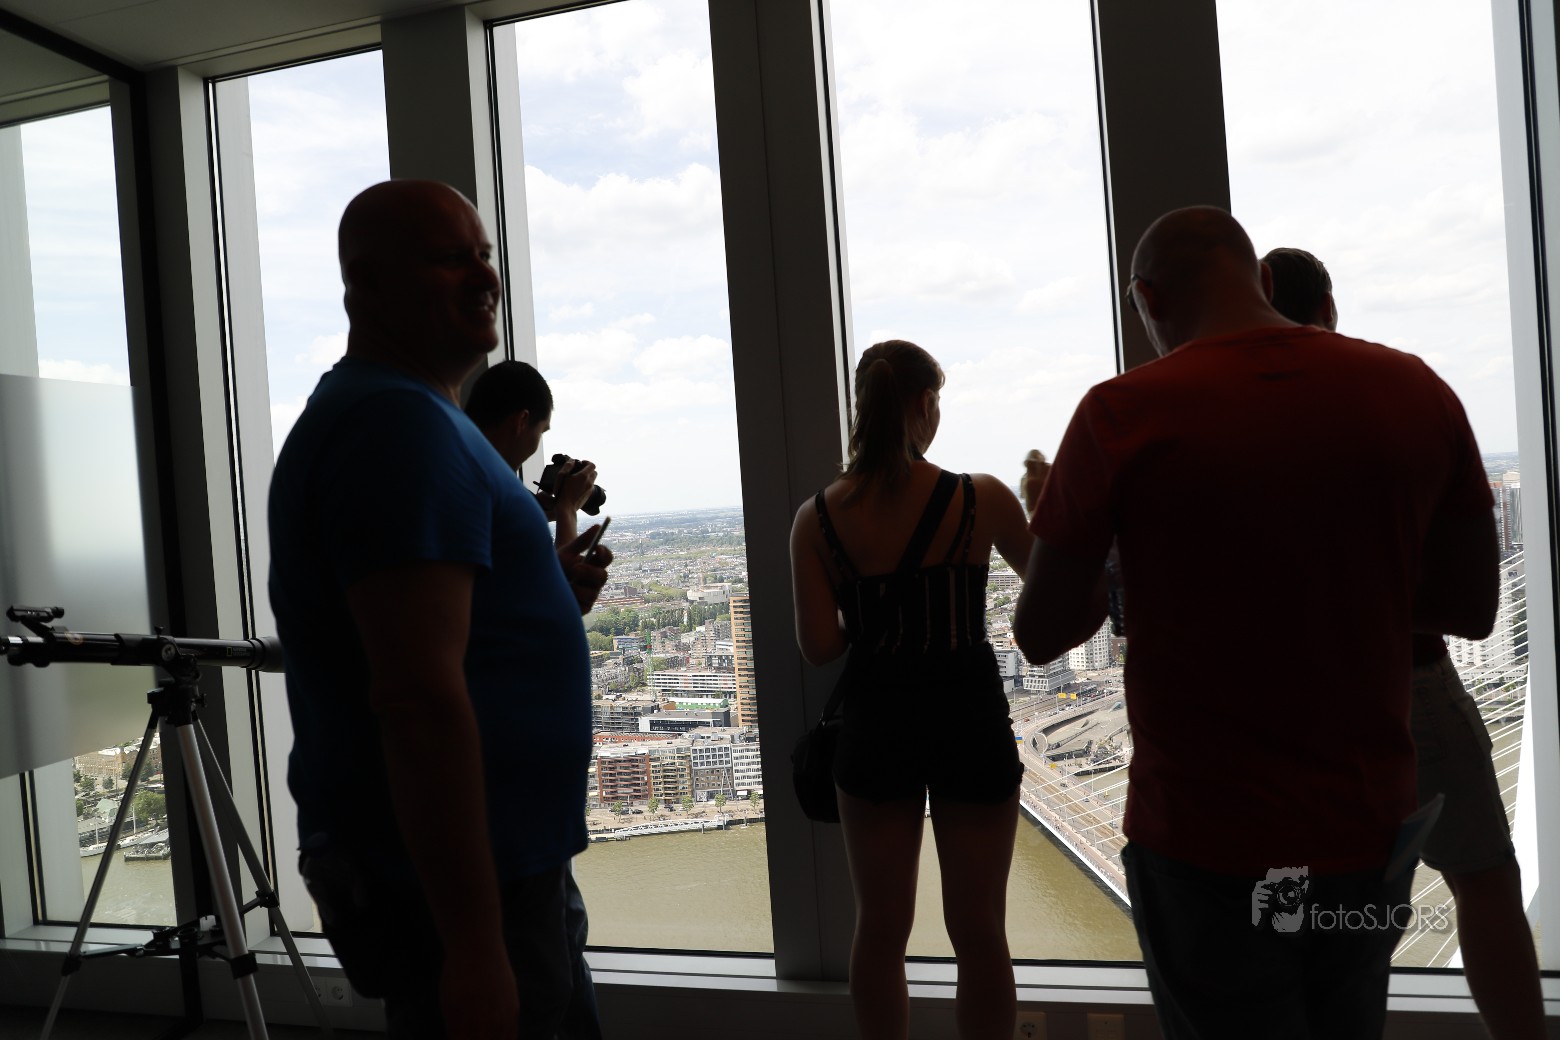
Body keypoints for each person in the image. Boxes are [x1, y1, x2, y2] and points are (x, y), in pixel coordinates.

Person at [1014, 207, 1498, 1039]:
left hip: (1204, 836)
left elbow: (1042, 631)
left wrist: (1109, 551)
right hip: (1365, 831)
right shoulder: (1414, 388)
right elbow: (1473, 606)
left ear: (1148, 300)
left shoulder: (1119, 415)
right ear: (1264, 280)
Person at [268, 179, 611, 1040]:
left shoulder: (412, 415)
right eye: (450, 258)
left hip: (494, 869)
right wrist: (474, 948)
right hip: (467, 886)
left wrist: (542, 597)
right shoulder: (398, 426)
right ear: (367, 284)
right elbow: (416, 696)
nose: (485, 275)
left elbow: (435, 632)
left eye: (484, 255)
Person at [1262, 245, 1544, 1040]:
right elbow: (1476, 608)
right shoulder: (1405, 396)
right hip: (1413, 681)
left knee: (1314, 912)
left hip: (1293, 706)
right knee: (1485, 882)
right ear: (1330, 307)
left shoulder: (1237, 424)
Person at [788, 340, 1035, 1040]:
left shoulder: (818, 517)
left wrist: (867, 613)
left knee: (880, 929)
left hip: (877, 724)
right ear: (925, 404)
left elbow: (820, 647)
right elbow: (1050, 591)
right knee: (980, 930)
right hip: (969, 717)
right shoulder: (979, 497)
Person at [465, 358, 599, 547]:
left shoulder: (455, 474)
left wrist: (529, 510)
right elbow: (561, 567)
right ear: (521, 421)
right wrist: (567, 509)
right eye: (541, 431)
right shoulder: (489, 497)